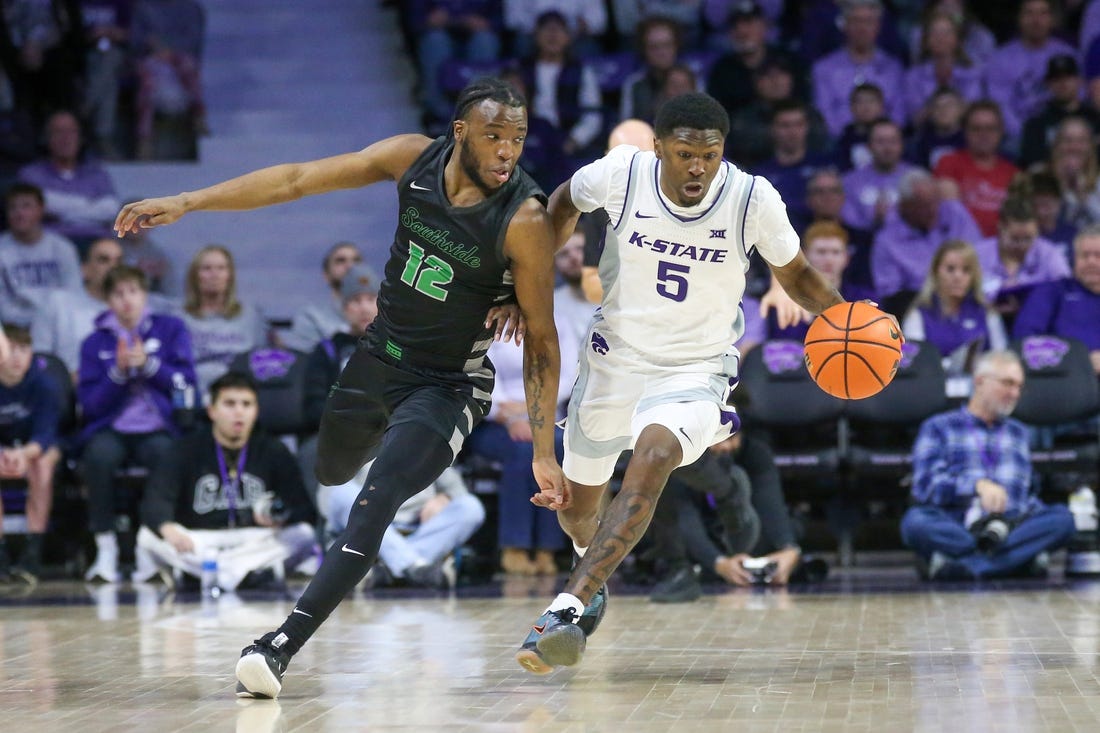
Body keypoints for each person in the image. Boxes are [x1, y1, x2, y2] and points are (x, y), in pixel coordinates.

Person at [113, 77, 564, 700]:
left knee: (373, 503)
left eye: (516, 138)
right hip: (378, 359)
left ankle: (277, 647)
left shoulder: (524, 216)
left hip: (449, 384)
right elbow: (298, 178)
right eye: (493, 136)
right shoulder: (413, 157)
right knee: (330, 471)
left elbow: (543, 341)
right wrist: (190, 200)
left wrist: (543, 449)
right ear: (460, 132)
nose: (507, 151)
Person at [514, 92, 857, 675]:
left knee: (652, 459)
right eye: (684, 154)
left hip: (695, 370)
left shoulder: (751, 197)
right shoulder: (622, 173)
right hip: (613, 363)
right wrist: (534, 270)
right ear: (658, 149)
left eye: (710, 154)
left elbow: (796, 273)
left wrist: (849, 318)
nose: (698, 166)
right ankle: (589, 571)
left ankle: (565, 609)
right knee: (577, 512)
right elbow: (564, 202)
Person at [899, 350, 1075, 580]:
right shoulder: (939, 427)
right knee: (915, 523)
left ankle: (964, 567)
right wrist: (975, 486)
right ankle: (1015, 562)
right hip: (958, 524)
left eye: (1019, 387)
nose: (1015, 393)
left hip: (1009, 528)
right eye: (1008, 384)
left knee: (1063, 519)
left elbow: (1028, 495)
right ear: (980, 382)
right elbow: (925, 488)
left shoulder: (1019, 433)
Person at [134, 371, 317, 590]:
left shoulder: (274, 450)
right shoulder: (185, 449)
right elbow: (156, 501)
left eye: (246, 404)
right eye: (229, 404)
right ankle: (246, 574)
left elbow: (304, 508)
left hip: (255, 538)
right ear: (212, 411)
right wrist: (168, 528)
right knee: (147, 536)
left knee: (305, 534)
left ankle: (212, 574)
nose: (238, 412)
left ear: (256, 411)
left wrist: (280, 516)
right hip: (201, 541)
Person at [77, 265, 197, 582]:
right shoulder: (94, 342)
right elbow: (90, 406)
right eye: (118, 294)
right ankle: (105, 548)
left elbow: (187, 384)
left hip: (158, 427)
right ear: (108, 301)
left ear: (145, 295)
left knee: (164, 455)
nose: (127, 300)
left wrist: (150, 365)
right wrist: (117, 373)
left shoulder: (170, 329)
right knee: (98, 457)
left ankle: (151, 546)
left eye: (133, 291)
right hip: (111, 427)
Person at [0, 324, 62, 584]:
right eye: (11, 349)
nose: (16, 357)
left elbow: (46, 433)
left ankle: (33, 551)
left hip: (34, 448)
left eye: (23, 350)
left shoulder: (44, 384)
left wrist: (24, 454)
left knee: (43, 465)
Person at [900, 239, 1007, 377]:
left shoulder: (987, 313)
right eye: (950, 269)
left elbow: (1002, 359)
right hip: (934, 389)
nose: (958, 276)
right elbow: (913, 364)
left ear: (974, 276)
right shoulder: (918, 316)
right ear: (936, 272)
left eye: (966, 270)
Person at [16, 110, 121, 247]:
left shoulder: (97, 173)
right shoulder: (31, 174)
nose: (66, 138)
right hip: (51, 247)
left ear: (81, 138)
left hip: (96, 246)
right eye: (58, 132)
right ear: (46, 139)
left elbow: (111, 210)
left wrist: (62, 213)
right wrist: (91, 206)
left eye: (72, 132)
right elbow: (43, 206)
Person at [178, 245, 268, 396]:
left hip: (239, 397)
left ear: (230, 275)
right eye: (207, 269)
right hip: (193, 396)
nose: (215, 275)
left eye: (221, 268)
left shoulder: (251, 316)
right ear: (194, 275)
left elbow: (260, 363)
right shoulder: (178, 317)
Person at [31, 236, 123, 379]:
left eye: (118, 261)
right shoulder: (57, 302)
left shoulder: (134, 308)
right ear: (85, 270)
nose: (113, 267)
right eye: (104, 260)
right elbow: (39, 357)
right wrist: (65, 380)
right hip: (65, 391)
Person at [1013, 224, 1100, 373]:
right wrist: (1082, 359)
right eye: (1084, 255)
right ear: (1074, 259)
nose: (1091, 261)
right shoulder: (1051, 292)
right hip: (1067, 379)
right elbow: (1024, 341)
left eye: (1098, 255)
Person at [933, 101, 1019, 238]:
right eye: (976, 129)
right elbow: (948, 216)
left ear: (1001, 132)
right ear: (965, 132)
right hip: (960, 247)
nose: (983, 134)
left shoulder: (1013, 173)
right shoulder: (948, 162)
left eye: (990, 128)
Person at [0, 182, 81, 327]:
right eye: (13, 207)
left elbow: (74, 296)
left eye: (26, 206)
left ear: (40, 210)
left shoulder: (63, 248)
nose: (19, 213)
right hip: (13, 329)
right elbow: (4, 309)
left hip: (59, 325)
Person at [281, 242, 363, 353]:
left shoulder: (381, 315)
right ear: (326, 275)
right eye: (340, 261)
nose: (350, 266)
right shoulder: (311, 317)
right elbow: (306, 363)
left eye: (356, 260)